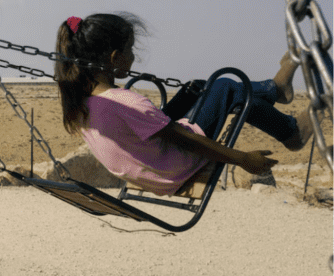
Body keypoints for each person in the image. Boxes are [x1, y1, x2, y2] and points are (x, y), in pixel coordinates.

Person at [55, 12, 314, 196]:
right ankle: (291, 130)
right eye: (131, 50)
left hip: (151, 163)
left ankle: (274, 90)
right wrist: (242, 159)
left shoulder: (82, 103)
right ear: (115, 58)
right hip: (177, 165)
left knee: (197, 86)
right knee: (224, 86)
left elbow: (147, 131)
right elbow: (183, 140)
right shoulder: (126, 102)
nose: (134, 56)